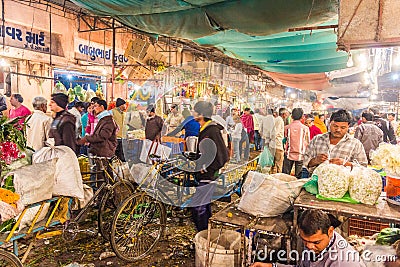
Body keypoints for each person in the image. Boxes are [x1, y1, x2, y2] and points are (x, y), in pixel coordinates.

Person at [251, 210, 366, 267]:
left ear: (330, 231)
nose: (309, 246)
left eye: (316, 242)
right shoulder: (314, 247)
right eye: (305, 240)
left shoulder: (343, 262)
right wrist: (272, 266)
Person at [191, 101, 229, 232]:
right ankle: (206, 235)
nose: (192, 113)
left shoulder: (212, 130)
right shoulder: (205, 129)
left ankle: (202, 235)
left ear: (200, 114)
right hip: (204, 174)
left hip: (208, 175)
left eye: (194, 111)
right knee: (204, 207)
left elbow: (223, 155)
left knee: (198, 208)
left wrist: (207, 167)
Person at [303, 109, 367, 175]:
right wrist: (315, 160)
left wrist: (346, 163)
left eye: (343, 127)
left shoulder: (355, 144)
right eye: (335, 126)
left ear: (348, 126)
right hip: (316, 182)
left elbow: (363, 168)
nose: (338, 130)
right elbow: (305, 162)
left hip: (342, 183)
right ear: (329, 123)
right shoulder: (317, 139)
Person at [283, 108, 310, 178]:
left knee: (286, 174)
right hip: (301, 154)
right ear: (302, 117)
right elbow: (308, 142)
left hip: (288, 153)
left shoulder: (286, 128)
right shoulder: (305, 128)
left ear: (291, 116)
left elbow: (284, 140)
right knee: (298, 176)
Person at [270, 108, 287, 174]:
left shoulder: (276, 119)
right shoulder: (280, 120)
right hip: (277, 146)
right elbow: (275, 133)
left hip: (273, 145)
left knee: (273, 165)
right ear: (283, 114)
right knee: (278, 166)